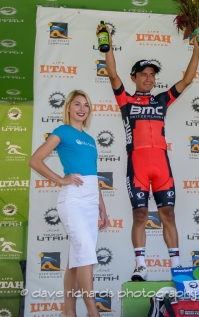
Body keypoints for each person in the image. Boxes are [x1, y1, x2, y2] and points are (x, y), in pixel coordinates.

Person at [102, 25, 199, 281]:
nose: (148, 78)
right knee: (140, 215)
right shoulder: (125, 100)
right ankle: (140, 266)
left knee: (168, 214)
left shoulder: (161, 100)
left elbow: (187, 80)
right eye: (143, 74)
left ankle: (177, 267)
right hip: (137, 164)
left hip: (161, 165)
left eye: (151, 75)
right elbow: (112, 75)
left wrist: (197, 48)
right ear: (134, 77)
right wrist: (107, 43)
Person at [29, 90, 108, 317]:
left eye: (86, 105)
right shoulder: (62, 131)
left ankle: (69, 312)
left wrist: (102, 207)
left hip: (92, 203)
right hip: (72, 200)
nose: (82, 109)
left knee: (76, 260)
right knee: (85, 253)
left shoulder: (91, 140)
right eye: (77, 104)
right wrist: (61, 180)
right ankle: (93, 312)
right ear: (69, 108)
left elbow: (94, 176)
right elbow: (35, 160)